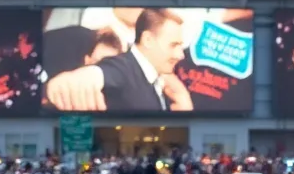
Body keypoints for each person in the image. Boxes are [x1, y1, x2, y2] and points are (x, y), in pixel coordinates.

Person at [44, 8, 192, 112]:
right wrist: (75, 82)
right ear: (148, 40)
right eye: (173, 45)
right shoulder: (125, 67)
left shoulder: (164, 84)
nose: (180, 55)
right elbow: (109, 71)